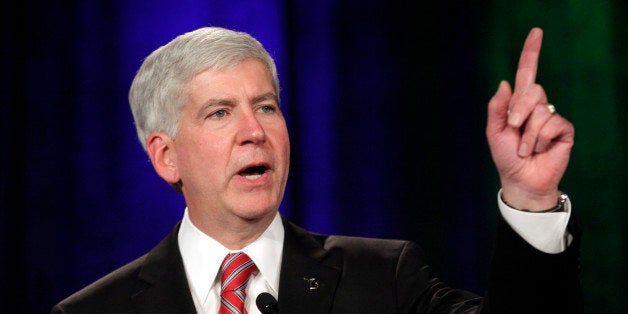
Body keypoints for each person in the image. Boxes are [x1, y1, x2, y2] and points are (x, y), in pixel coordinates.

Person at [51, 26, 582, 313]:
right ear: (166, 156)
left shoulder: (384, 279)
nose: (254, 130)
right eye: (220, 112)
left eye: (266, 106)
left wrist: (529, 198)